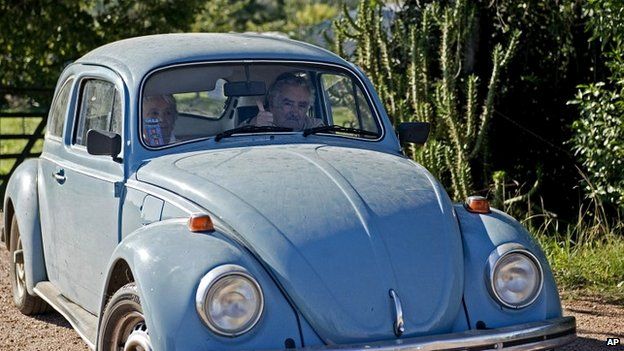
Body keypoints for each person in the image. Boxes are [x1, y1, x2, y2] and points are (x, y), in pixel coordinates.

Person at [246, 73, 324, 131]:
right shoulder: (252, 125)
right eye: (288, 104)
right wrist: (258, 130)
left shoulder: (316, 128)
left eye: (301, 106)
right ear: (272, 104)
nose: (295, 112)